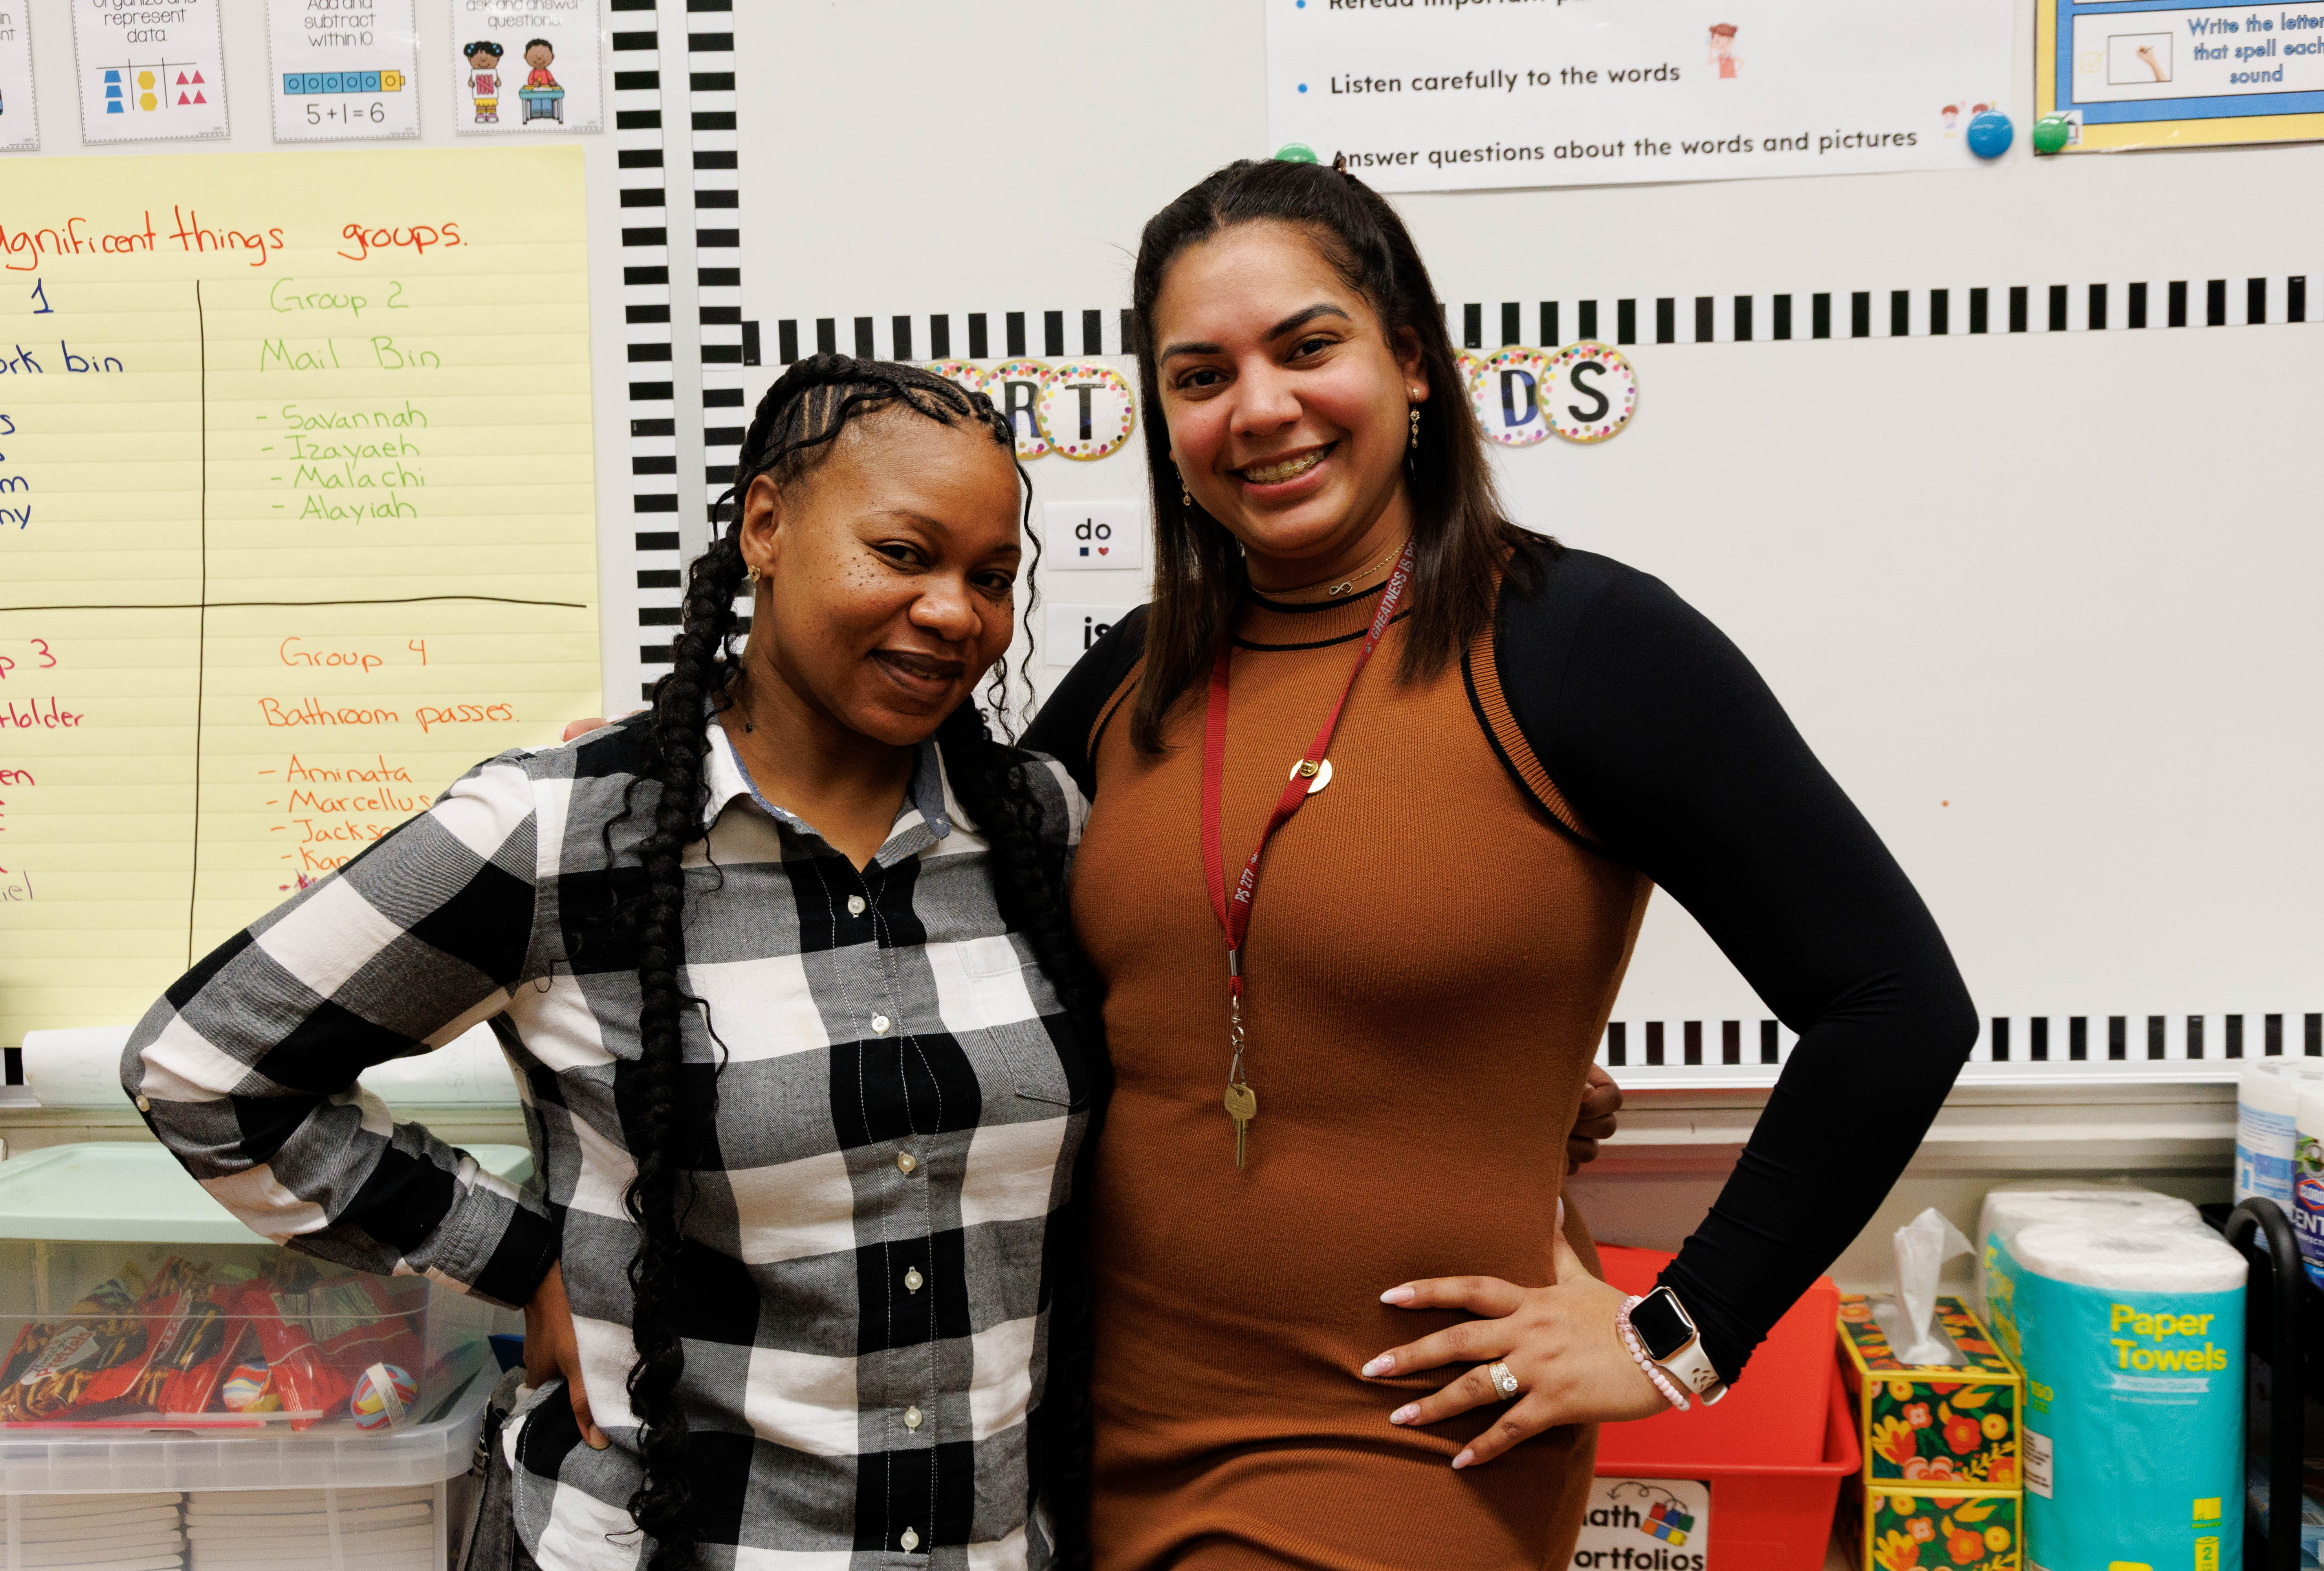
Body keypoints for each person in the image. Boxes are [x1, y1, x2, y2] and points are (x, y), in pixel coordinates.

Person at [1018, 157, 1976, 1569]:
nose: (1260, 408)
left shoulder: (1578, 643)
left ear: (1410, 361)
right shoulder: (1124, 684)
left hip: (1403, 1446)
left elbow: (1894, 1002)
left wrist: (1683, 1328)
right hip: (1078, 1428)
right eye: (1200, 373)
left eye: (1307, 346)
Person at [125, 359, 1109, 1571]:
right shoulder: (558, 836)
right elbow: (203, 1069)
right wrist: (522, 1257)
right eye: (903, 553)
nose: (956, 611)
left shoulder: (1040, 832)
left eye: (991, 576)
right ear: (765, 525)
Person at [463, 41, 502, 125]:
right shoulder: (474, 73)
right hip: (480, 93)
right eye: (479, 57)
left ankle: (492, 114)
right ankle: (481, 114)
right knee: (480, 104)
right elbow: (471, 82)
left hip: (491, 94)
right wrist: (471, 84)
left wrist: (498, 83)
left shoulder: (493, 72)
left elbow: (497, 81)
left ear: (498, 58)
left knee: (491, 104)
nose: (484, 60)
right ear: (470, 59)